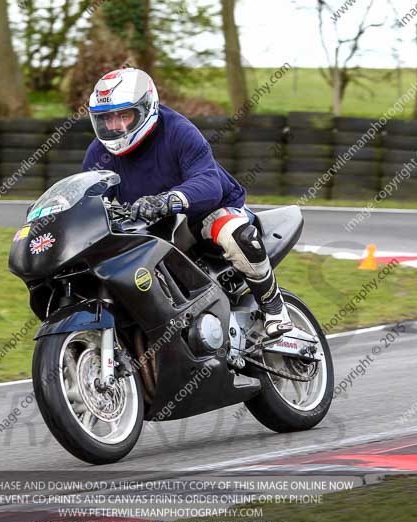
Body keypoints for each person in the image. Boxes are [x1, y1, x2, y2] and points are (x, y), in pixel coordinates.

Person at [82, 67, 293, 338]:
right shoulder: (98, 153)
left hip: (203, 213)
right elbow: (91, 196)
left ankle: (273, 305)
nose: (115, 127)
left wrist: (168, 200)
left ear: (146, 108)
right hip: (150, 225)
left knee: (234, 234)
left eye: (124, 116)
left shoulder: (177, 130)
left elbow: (209, 183)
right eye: (107, 118)